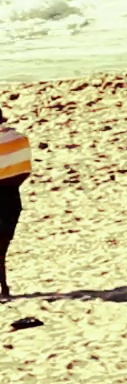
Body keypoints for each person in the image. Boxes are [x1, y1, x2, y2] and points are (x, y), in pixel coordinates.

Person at [0, 108, 27, 298]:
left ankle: (4, 288)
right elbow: (24, 171)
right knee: (2, 247)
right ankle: (4, 287)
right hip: (12, 197)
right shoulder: (19, 139)